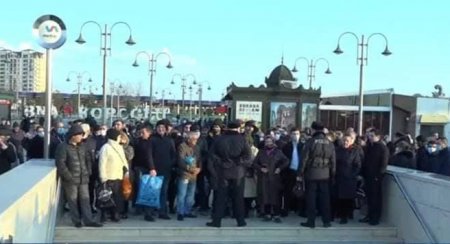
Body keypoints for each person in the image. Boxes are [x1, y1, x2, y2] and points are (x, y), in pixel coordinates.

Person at [206, 120, 251, 228]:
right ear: (237, 128)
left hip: (223, 171)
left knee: (220, 197)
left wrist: (221, 162)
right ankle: (240, 221)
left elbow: (212, 155)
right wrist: (238, 162)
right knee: (238, 197)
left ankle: (217, 221)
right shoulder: (242, 139)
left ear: (227, 128)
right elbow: (248, 156)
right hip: (238, 172)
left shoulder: (219, 139)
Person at [55, 124, 102, 228]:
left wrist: (88, 171)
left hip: (83, 178)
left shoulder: (82, 146)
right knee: (73, 201)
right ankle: (76, 221)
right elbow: (60, 164)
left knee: (85, 200)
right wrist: (68, 176)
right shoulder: (63, 147)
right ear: (73, 135)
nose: (82, 137)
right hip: (70, 180)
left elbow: (88, 159)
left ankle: (88, 220)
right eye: (80, 135)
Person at [298, 121, 336, 228]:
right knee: (325, 198)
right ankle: (326, 221)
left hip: (312, 174)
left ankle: (311, 221)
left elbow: (304, 159)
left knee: (311, 199)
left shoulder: (310, 142)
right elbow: (333, 161)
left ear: (313, 129)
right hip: (325, 174)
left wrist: (300, 173)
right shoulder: (329, 143)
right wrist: (333, 175)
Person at [253, 135, 289, 223]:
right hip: (264, 177)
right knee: (265, 195)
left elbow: (286, 161)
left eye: (270, 142)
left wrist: (279, 168)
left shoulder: (278, 152)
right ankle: (267, 214)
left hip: (274, 177)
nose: (268, 143)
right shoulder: (261, 152)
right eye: (266, 142)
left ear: (273, 142)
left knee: (275, 196)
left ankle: (276, 214)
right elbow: (254, 163)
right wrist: (261, 168)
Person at [98, 129, 129, 222]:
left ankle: (115, 214)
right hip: (109, 176)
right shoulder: (106, 147)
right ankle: (103, 215)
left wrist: (126, 172)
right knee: (106, 196)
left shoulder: (119, 147)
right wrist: (103, 177)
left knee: (117, 197)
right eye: (119, 136)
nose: (120, 138)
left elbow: (124, 160)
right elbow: (102, 163)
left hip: (118, 175)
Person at [360, 128, 389, 226]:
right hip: (368, 176)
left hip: (376, 177)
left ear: (378, 136)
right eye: (369, 136)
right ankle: (369, 215)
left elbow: (383, 164)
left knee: (375, 198)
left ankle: (375, 218)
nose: (370, 138)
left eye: (372, 136)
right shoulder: (369, 147)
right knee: (369, 198)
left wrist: (379, 176)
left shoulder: (382, 148)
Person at [150, 120, 177, 220]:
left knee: (163, 192)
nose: (161, 130)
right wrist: (152, 167)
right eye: (159, 128)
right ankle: (150, 212)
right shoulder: (152, 139)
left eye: (163, 128)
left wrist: (170, 164)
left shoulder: (170, 140)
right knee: (153, 191)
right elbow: (149, 155)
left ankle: (163, 212)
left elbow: (174, 155)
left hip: (166, 170)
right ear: (156, 129)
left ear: (166, 130)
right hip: (154, 170)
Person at [176, 125, 202, 221]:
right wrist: (189, 169)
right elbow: (180, 160)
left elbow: (199, 160)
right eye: (193, 139)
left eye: (196, 139)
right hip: (184, 174)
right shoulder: (182, 146)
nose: (195, 141)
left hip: (194, 175)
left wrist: (199, 169)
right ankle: (180, 212)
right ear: (189, 138)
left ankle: (188, 210)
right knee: (182, 194)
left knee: (191, 194)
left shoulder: (197, 148)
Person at [335, 134, 361, 224]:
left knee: (348, 198)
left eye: (347, 141)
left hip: (349, 179)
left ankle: (346, 215)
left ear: (351, 141)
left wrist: (352, 175)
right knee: (340, 197)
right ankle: (340, 214)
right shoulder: (338, 150)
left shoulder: (354, 151)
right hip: (339, 177)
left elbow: (357, 164)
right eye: (344, 140)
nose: (345, 142)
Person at [132, 124, 156, 221]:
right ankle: (139, 208)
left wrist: (152, 168)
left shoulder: (152, 142)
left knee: (148, 190)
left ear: (149, 133)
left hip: (150, 169)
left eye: (144, 132)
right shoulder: (138, 142)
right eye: (140, 132)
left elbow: (151, 156)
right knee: (139, 188)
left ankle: (148, 211)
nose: (141, 134)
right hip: (140, 168)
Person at [281, 127, 305, 217]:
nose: (295, 136)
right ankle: (286, 209)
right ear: (290, 135)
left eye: (297, 134)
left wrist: (302, 172)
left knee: (301, 191)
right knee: (288, 191)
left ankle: (300, 210)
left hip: (300, 171)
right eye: (294, 134)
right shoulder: (286, 147)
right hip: (289, 171)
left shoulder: (303, 146)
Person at [120, 131, 134, 219]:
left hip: (126, 172)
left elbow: (129, 156)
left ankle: (125, 210)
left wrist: (121, 148)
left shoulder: (129, 148)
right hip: (116, 172)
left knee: (125, 192)